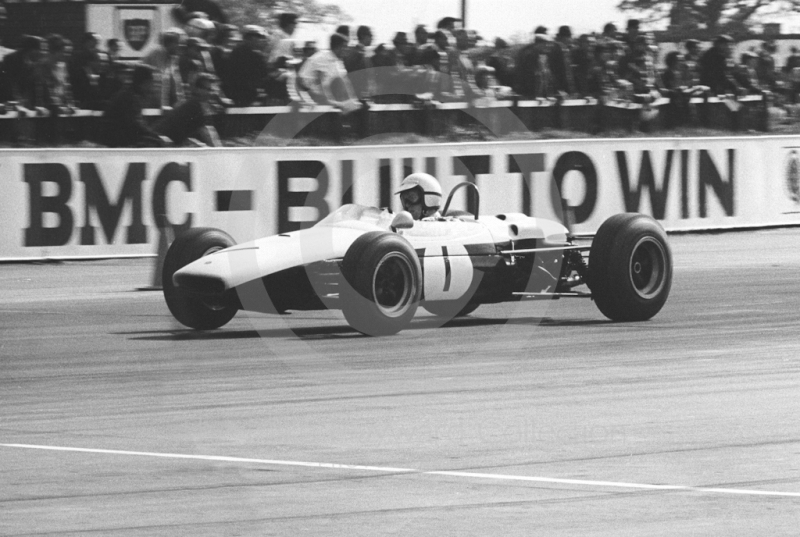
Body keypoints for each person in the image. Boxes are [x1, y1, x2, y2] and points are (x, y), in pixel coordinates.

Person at [102, 64, 169, 147]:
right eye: (150, 83)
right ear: (143, 83)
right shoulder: (130, 97)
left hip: (119, 134)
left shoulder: (129, 94)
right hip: (117, 137)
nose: (152, 86)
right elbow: (136, 125)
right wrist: (156, 135)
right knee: (156, 143)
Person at [153, 72, 221, 146]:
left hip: (163, 141)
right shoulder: (195, 106)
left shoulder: (190, 103)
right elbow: (207, 135)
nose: (213, 93)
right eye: (209, 89)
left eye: (214, 90)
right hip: (159, 143)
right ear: (198, 89)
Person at [298, 32, 360, 112]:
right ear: (338, 47)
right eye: (345, 47)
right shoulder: (321, 58)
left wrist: (353, 101)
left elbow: (345, 82)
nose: (347, 49)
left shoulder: (338, 61)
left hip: (323, 96)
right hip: (308, 95)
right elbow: (319, 86)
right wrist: (339, 104)